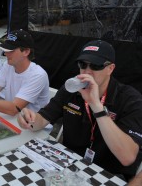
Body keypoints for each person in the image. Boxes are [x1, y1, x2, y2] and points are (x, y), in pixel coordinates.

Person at [17, 40, 142, 180]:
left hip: (108, 175)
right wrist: (28, 119)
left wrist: (96, 105)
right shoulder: (70, 89)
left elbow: (127, 157)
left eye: (96, 65)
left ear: (110, 68)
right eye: (83, 64)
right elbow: (41, 120)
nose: (87, 71)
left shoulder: (130, 99)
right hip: (70, 165)